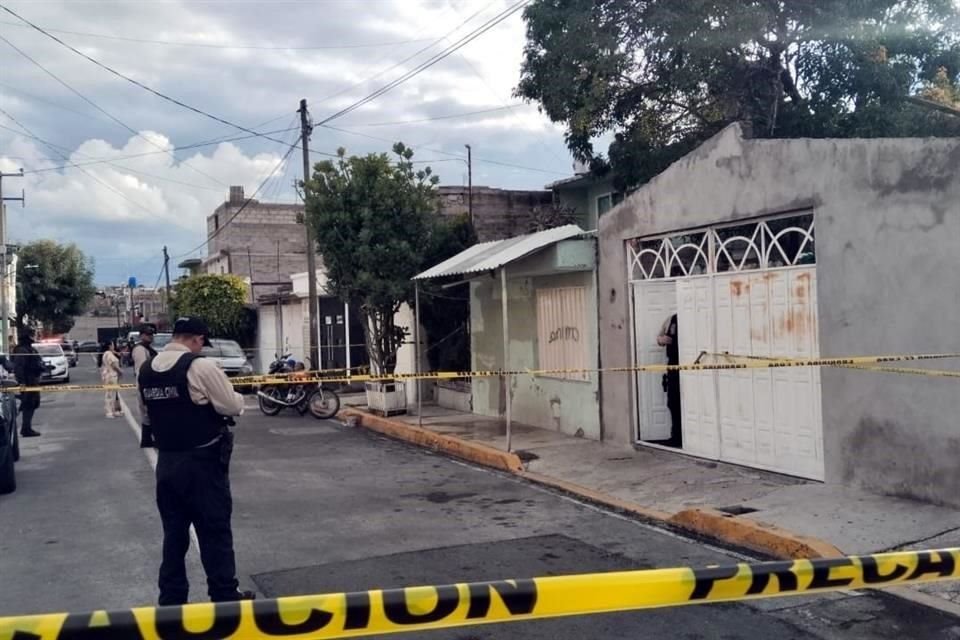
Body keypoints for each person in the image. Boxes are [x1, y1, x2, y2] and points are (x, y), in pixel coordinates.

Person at [138, 317, 254, 605]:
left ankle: (172, 600)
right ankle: (224, 595)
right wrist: (239, 398)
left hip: (167, 463)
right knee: (214, 531)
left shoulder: (146, 370)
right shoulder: (200, 366)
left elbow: (147, 415)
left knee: (174, 535)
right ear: (198, 339)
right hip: (202, 463)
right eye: (202, 343)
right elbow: (230, 405)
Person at [656, 313, 682, 448]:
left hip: (691, 364)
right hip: (674, 365)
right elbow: (659, 338)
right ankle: (676, 437)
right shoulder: (671, 319)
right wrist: (662, 340)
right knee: (673, 401)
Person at [13, 330, 44, 438]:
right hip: (27, 382)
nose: (33, 337)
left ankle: (26, 427)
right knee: (26, 405)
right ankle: (25, 429)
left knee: (32, 404)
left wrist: (42, 368)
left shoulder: (31, 349)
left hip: (33, 380)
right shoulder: (22, 350)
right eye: (31, 336)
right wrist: (22, 383)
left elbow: (37, 362)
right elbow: (18, 368)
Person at [131, 326, 158, 447]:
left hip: (149, 384)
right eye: (148, 335)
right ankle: (148, 440)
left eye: (151, 335)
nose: (150, 337)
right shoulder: (140, 349)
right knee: (148, 413)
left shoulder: (148, 348)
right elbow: (143, 369)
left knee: (150, 414)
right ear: (141, 335)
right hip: (145, 384)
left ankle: (148, 440)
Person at [100, 341, 123, 418]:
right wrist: (120, 371)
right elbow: (113, 365)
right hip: (111, 375)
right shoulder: (109, 354)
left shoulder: (106, 353)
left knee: (113, 394)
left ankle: (114, 410)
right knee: (110, 394)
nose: (114, 346)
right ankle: (109, 412)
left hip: (108, 375)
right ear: (110, 346)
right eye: (113, 345)